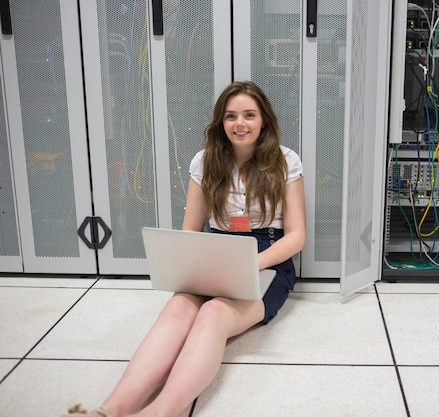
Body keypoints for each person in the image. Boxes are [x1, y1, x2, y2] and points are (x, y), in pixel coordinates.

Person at [63, 81, 306, 417]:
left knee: (213, 314)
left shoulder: (285, 161)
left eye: (249, 115)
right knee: (178, 308)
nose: (240, 124)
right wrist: (196, 269)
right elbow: (190, 232)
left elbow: (296, 237)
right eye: (231, 116)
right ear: (220, 122)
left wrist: (249, 265)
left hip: (268, 260)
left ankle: (158, 413)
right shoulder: (205, 162)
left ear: (263, 120)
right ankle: (111, 410)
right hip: (216, 253)